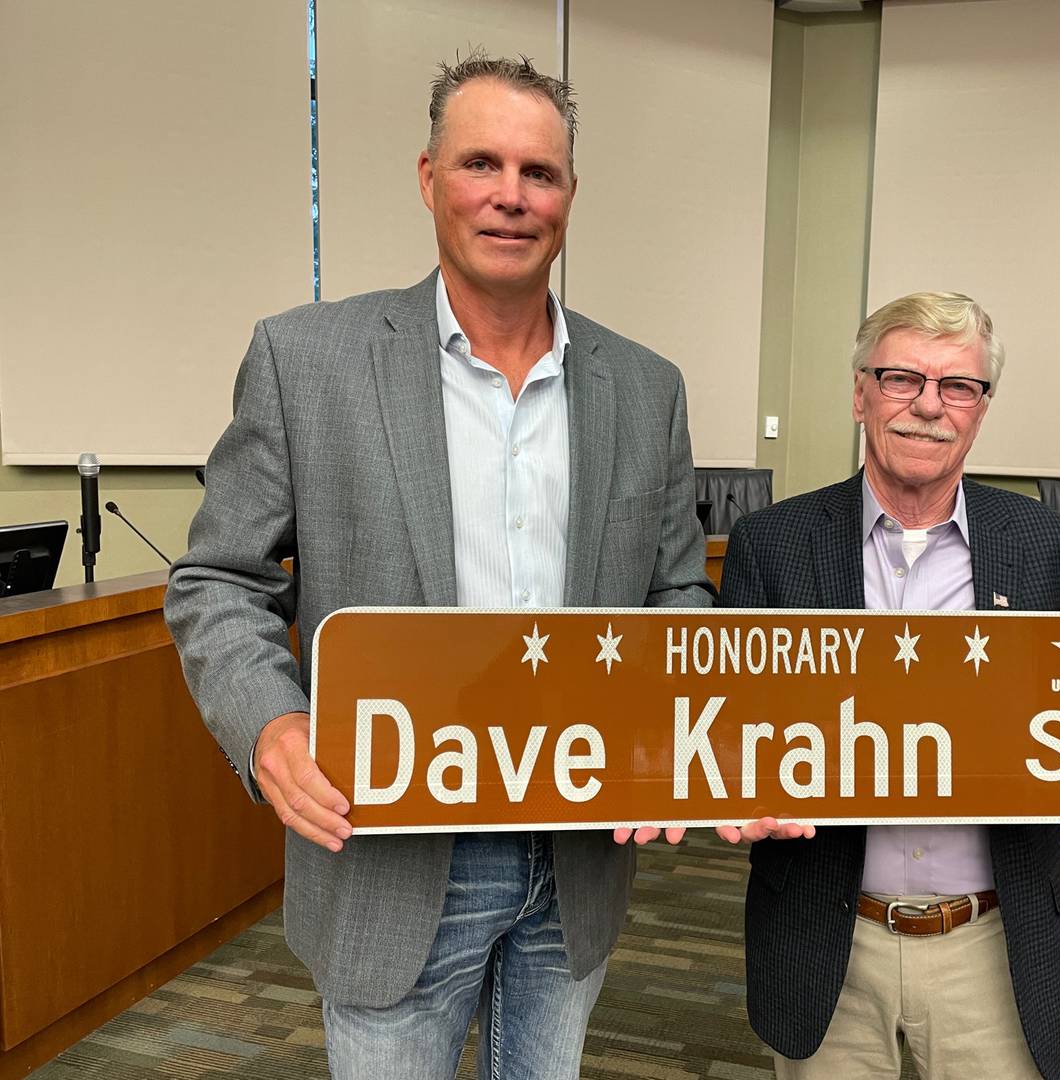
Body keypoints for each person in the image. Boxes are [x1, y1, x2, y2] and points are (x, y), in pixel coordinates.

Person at [164, 51, 711, 1079]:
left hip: (577, 856)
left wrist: (660, 738)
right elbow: (217, 581)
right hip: (391, 859)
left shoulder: (646, 388)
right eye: (481, 164)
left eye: (538, 173)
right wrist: (271, 725)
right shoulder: (306, 360)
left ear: (570, 195)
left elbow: (675, 591)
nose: (510, 195)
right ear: (429, 179)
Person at [716, 292, 1060, 1080]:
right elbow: (729, 731)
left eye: (958, 387)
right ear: (860, 392)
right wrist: (730, 796)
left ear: (981, 409)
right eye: (902, 378)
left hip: (993, 944)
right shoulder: (771, 544)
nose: (928, 407)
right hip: (824, 938)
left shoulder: (1053, 551)